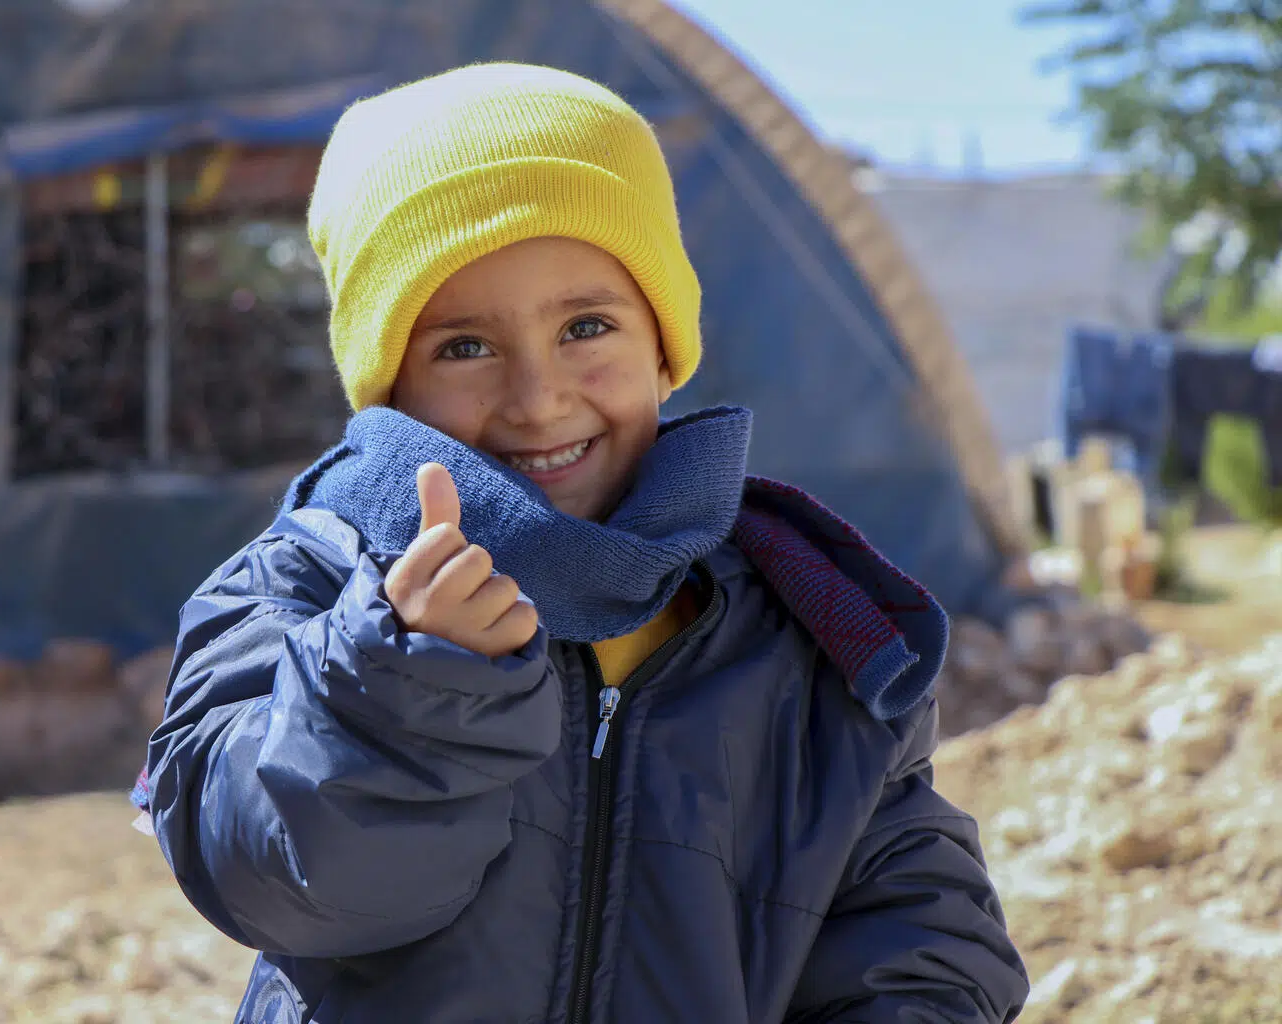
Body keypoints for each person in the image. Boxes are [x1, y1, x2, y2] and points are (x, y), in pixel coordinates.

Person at [132, 62, 1030, 1023]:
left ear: (664, 346)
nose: (538, 397)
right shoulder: (302, 584)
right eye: (463, 346)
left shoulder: (801, 627)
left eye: (587, 327)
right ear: (388, 380)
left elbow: (907, 920)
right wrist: (411, 682)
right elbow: (266, 873)